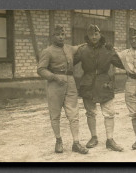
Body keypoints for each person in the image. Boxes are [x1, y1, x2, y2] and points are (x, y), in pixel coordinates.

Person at [37, 25, 88, 154]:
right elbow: (41, 69)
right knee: (55, 114)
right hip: (55, 84)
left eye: (63, 34)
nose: (61, 36)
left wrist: (93, 42)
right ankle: (58, 140)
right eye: (58, 34)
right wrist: (53, 77)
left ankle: (76, 143)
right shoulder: (47, 51)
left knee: (74, 114)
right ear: (52, 36)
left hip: (70, 83)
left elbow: (80, 47)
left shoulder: (69, 48)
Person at [74, 24, 125, 152]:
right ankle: (93, 137)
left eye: (96, 34)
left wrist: (118, 52)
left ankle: (110, 140)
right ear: (88, 36)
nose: (94, 37)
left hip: (104, 84)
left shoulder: (108, 49)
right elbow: (70, 62)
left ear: (100, 34)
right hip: (88, 84)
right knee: (90, 112)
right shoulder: (83, 50)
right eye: (91, 34)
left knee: (109, 112)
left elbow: (122, 63)